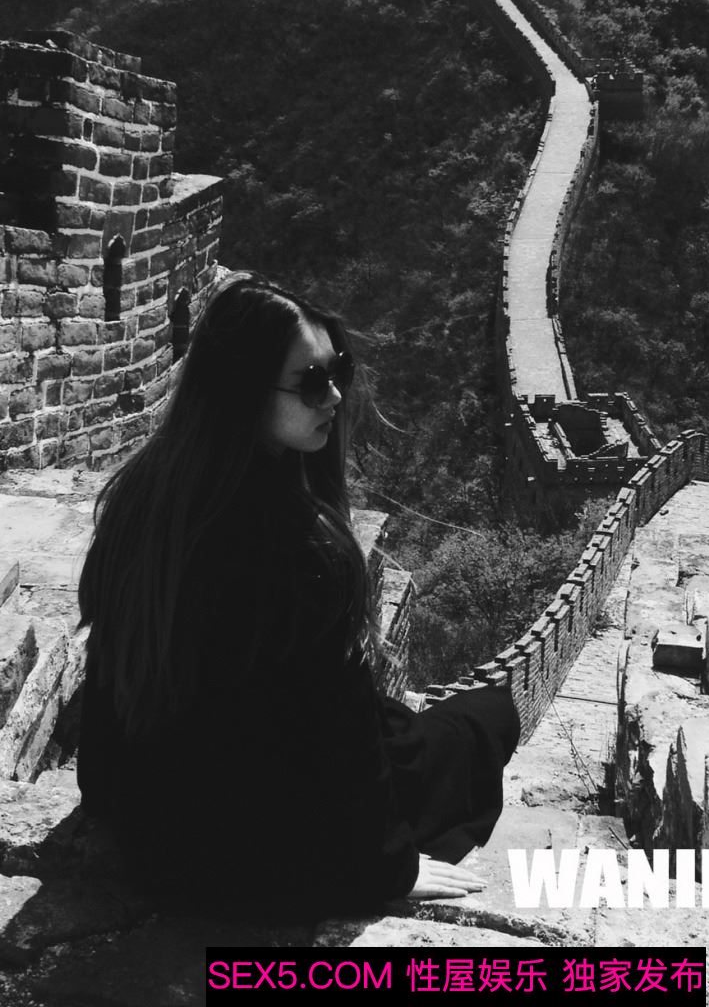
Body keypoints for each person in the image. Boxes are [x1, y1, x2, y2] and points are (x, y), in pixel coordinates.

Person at [76, 273, 520, 917]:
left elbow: (109, 677)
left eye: (338, 371)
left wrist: (114, 811)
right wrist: (388, 867)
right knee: (483, 720)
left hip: (158, 834)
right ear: (244, 390)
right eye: (312, 381)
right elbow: (340, 735)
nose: (334, 395)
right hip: (259, 849)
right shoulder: (299, 548)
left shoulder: (143, 501)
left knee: (405, 727)